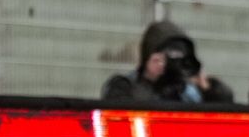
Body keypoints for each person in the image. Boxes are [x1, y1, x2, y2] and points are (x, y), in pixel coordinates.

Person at [100, 20, 234, 104]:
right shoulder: (124, 85)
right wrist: (151, 77)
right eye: (170, 56)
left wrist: (208, 88)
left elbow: (227, 108)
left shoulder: (187, 91)